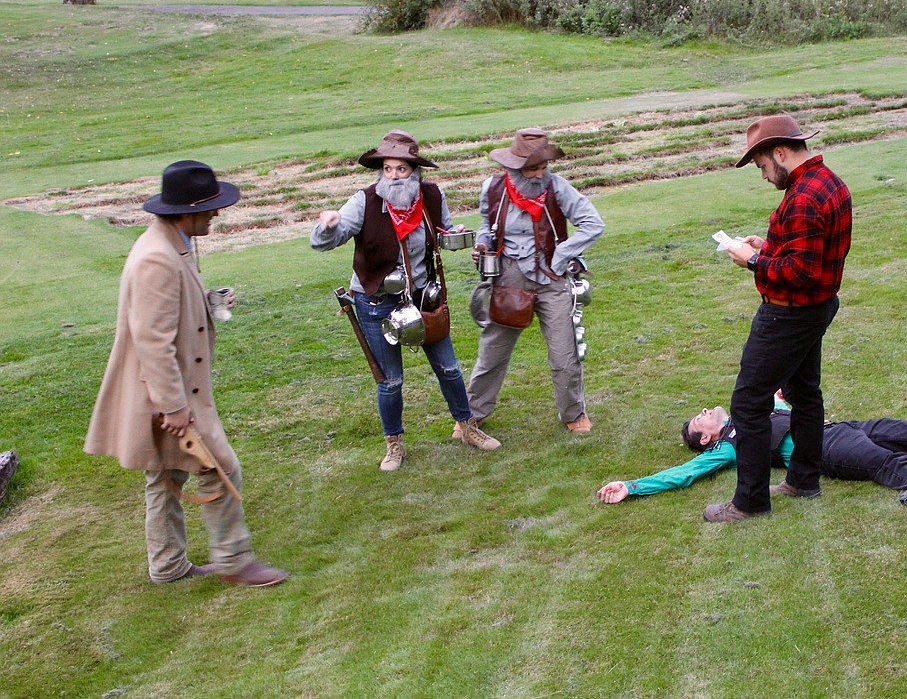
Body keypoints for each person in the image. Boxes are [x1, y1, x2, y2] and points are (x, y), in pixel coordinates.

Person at [85, 160, 287, 587]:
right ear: (185, 210)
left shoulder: (173, 242)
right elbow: (153, 342)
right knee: (220, 466)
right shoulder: (156, 260)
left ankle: (168, 566)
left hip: (167, 391)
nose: (217, 213)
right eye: (211, 206)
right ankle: (235, 561)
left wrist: (209, 300)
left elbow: (175, 309)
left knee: (165, 477)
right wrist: (174, 407)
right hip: (165, 394)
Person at [311, 130, 500, 471]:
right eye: (388, 169)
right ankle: (394, 445)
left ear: (415, 171)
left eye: (402, 169)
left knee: (449, 368)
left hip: (423, 297)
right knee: (391, 381)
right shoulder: (364, 201)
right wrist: (328, 225)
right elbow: (327, 241)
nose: (394, 176)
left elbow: (443, 231)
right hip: (376, 301)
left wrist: (457, 235)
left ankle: (467, 426)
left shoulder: (430, 194)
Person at [704, 115, 853, 522]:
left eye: (762, 166)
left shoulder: (803, 196)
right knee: (806, 394)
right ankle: (803, 479)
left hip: (789, 316)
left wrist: (752, 259)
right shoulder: (828, 182)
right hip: (816, 309)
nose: (764, 176)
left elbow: (801, 273)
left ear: (780, 153)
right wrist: (768, 245)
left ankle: (750, 502)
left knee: (749, 403)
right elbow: (810, 253)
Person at [598, 387, 907, 504]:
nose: (708, 409)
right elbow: (684, 475)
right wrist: (633, 485)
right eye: (700, 417)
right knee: (893, 466)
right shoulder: (730, 444)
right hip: (827, 452)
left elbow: (789, 392)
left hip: (843, 427)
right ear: (705, 436)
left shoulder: (756, 406)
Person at [464, 127, 605, 435]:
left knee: (564, 353)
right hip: (508, 278)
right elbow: (487, 227)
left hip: (552, 279)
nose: (539, 174)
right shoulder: (493, 188)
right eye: (532, 169)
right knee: (493, 351)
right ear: (512, 167)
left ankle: (573, 413)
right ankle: (472, 416)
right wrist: (483, 245)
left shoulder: (557, 187)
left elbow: (594, 224)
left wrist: (562, 254)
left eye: (543, 167)